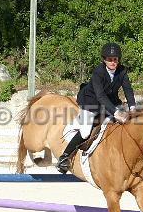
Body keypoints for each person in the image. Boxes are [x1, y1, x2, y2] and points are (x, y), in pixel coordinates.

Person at [56, 42, 137, 174]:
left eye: (115, 59)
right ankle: (64, 157)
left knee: (126, 122)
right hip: (91, 102)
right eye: (110, 60)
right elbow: (100, 96)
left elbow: (128, 89)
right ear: (104, 60)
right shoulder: (98, 72)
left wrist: (133, 107)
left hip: (110, 100)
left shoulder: (122, 71)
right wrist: (116, 112)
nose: (113, 62)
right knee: (86, 131)